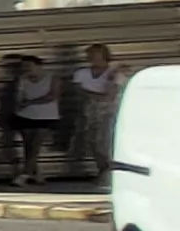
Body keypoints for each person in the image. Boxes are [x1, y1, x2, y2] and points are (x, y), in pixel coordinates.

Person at [7, 54, 65, 186]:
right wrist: (19, 103)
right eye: (24, 67)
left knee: (35, 146)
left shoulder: (53, 78)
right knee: (28, 146)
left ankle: (24, 173)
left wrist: (30, 102)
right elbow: (19, 96)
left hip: (46, 117)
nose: (26, 69)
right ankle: (36, 174)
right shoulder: (23, 79)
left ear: (39, 66)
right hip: (25, 116)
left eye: (29, 66)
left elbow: (52, 96)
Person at [71, 44, 125, 180]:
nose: (93, 58)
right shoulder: (81, 73)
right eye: (91, 55)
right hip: (88, 113)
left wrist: (90, 93)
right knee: (92, 143)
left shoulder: (115, 74)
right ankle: (103, 170)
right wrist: (96, 96)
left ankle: (110, 173)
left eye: (97, 55)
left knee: (105, 144)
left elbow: (110, 95)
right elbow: (77, 92)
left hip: (109, 114)